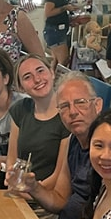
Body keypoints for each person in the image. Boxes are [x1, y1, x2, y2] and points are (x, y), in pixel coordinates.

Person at [18, 72, 106, 219]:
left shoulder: (108, 152)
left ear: (97, 105)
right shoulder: (73, 140)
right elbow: (59, 200)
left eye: (80, 102)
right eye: (64, 106)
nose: (73, 112)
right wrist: (33, 188)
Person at [5, 54, 69, 189]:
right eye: (27, 77)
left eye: (40, 71)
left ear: (51, 72)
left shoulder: (67, 115)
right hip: (20, 192)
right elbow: (12, 159)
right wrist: (12, 179)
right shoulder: (20, 109)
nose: (37, 79)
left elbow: (58, 176)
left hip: (46, 197)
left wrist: (30, 192)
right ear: (21, 87)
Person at [43, 0, 73, 67]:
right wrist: (65, 8)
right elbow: (48, 12)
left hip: (58, 30)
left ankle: (53, 80)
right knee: (63, 61)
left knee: (55, 63)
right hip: (55, 31)